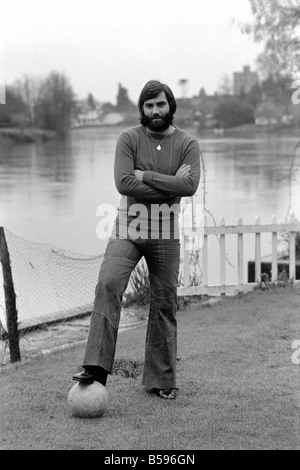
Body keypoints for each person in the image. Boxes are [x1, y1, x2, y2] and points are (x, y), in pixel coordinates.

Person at [73, 80, 201, 399]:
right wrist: (171, 185)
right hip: (128, 228)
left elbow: (191, 187)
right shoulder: (128, 138)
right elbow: (123, 183)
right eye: (148, 105)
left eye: (160, 104)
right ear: (141, 110)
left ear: (170, 106)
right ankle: (96, 367)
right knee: (108, 284)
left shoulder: (188, 143)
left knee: (164, 303)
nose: (155, 111)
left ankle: (161, 379)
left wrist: (146, 176)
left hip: (166, 232)